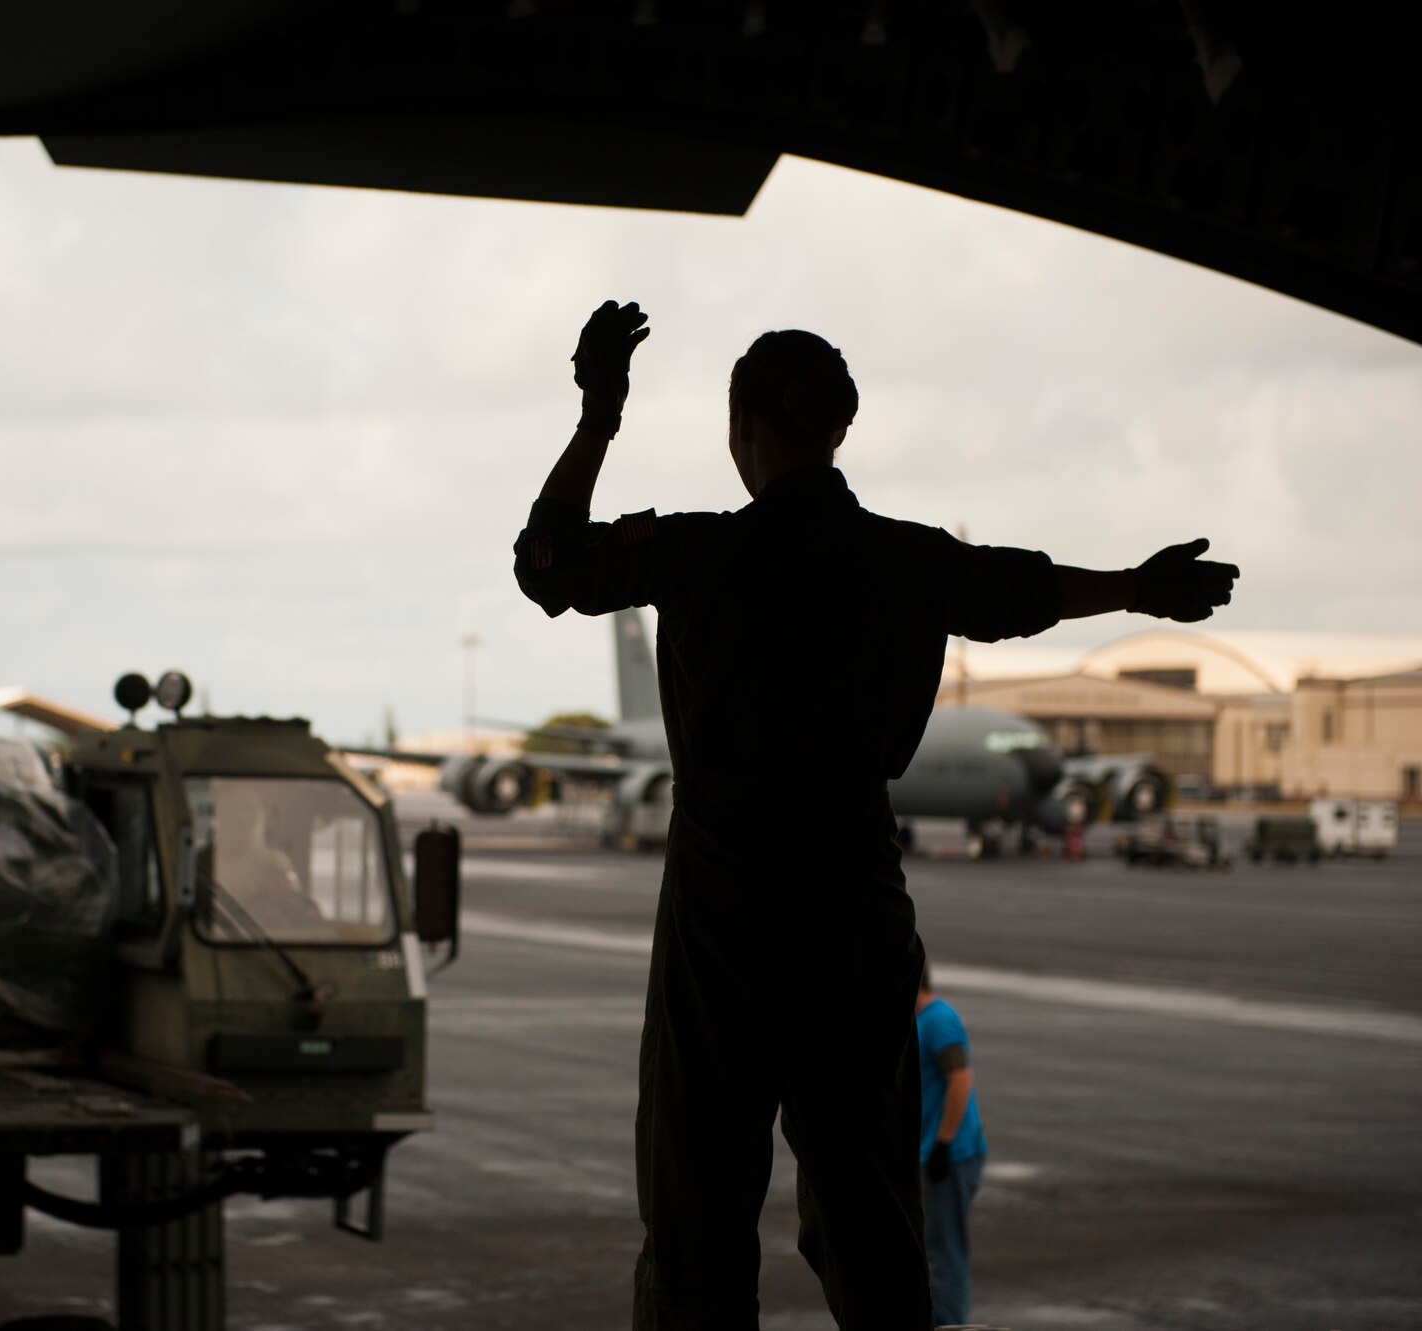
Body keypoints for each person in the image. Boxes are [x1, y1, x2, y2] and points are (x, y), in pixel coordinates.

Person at [513, 300, 1238, 1329]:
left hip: (724, 914)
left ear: (743, 427)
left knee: (698, 1222)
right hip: (858, 906)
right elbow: (1021, 590)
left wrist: (597, 414)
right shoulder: (908, 560)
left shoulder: (698, 555)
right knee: (871, 1221)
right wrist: (1135, 587)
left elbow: (547, 563)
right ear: (838, 429)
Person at [916, 956, 986, 1327]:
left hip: (952, 1155)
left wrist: (943, 1144)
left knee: (946, 1252)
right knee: (933, 1250)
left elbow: (960, 1080)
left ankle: (950, 1324)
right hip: (932, 1152)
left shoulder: (939, 1021)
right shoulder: (918, 1022)